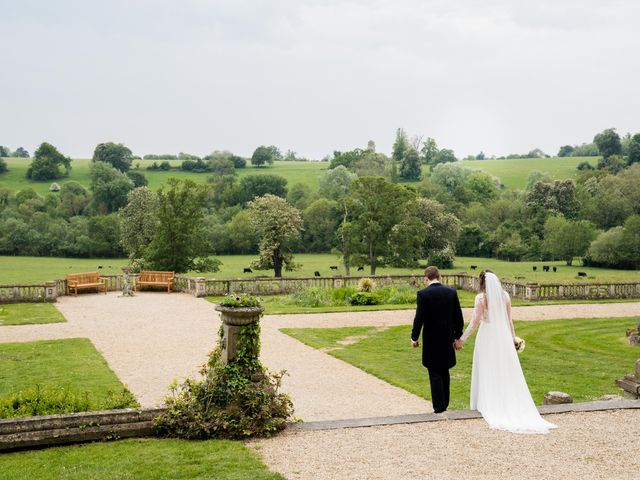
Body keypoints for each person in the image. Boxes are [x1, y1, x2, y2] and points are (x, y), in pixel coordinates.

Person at [458, 269, 557, 434]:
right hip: (502, 335)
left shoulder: (481, 298)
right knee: (504, 368)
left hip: (487, 336)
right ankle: (503, 401)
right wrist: (512, 339)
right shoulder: (505, 296)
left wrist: (462, 339)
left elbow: (474, 322)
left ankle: (486, 403)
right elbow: (509, 320)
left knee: (487, 368)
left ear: (482, 282)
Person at [410, 266, 464, 414]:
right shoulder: (451, 292)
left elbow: (419, 319)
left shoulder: (423, 294)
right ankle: (444, 403)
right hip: (447, 338)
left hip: (431, 338)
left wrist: (414, 337)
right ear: (439, 276)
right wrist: (457, 336)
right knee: (444, 370)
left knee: (434, 371)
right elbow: (458, 318)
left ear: (426, 278)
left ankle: (439, 407)